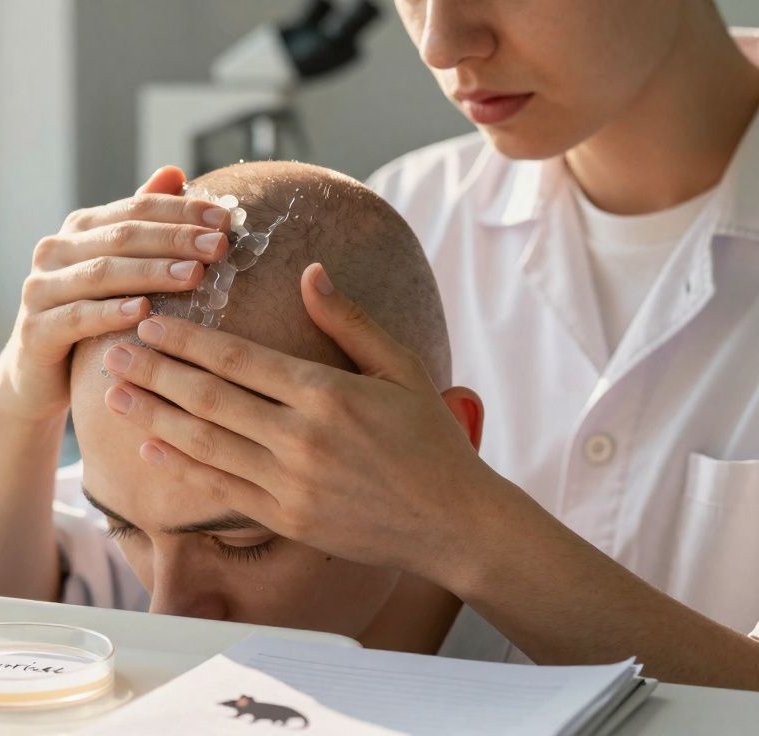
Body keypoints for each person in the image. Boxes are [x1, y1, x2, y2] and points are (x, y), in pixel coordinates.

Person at [69, 3, 759, 688]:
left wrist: (459, 526)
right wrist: (15, 402)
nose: (441, 42)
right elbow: (69, 560)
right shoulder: (395, 221)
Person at [0, 160, 474, 652]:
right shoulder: (148, 520)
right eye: (122, 528)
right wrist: (13, 405)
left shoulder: (546, 643)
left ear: (447, 447)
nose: (165, 610)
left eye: (244, 543)